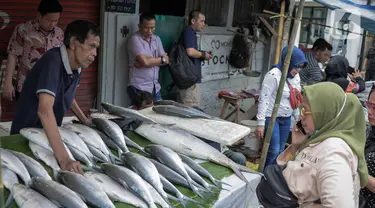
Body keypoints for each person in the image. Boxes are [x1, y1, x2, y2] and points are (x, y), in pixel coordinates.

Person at [10, 20, 100, 174]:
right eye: (91, 46)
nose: (95, 54)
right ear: (73, 43)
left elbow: (67, 95)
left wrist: (84, 119)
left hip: (48, 136)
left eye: (96, 48)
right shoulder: (52, 62)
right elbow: (44, 110)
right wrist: (64, 158)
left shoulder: (77, 66)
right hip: (27, 135)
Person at [258, 82, 367, 207]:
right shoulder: (320, 138)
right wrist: (296, 146)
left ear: (325, 112)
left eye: (306, 110)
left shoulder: (334, 153)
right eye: (301, 109)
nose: (301, 116)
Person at [255, 46, 308, 168]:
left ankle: (273, 175)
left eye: (301, 67)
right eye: (296, 66)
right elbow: (264, 99)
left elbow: (296, 99)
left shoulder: (296, 77)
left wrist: (298, 118)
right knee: (273, 150)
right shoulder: (273, 75)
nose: (298, 70)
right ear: (287, 62)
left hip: (287, 118)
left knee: (280, 152)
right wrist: (260, 123)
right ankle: (265, 174)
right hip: (272, 117)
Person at [2, 0, 64, 101]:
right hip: (26, 85)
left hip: (50, 86)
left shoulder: (59, 33)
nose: (52, 24)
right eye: (49, 20)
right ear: (39, 15)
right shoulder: (23, 30)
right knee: (25, 116)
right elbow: (12, 54)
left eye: (56, 20)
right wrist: (8, 82)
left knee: (46, 115)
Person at [127, 12, 168, 104]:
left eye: (152, 28)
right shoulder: (135, 39)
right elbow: (146, 62)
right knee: (141, 116)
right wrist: (160, 60)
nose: (150, 31)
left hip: (155, 87)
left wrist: (150, 61)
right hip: (139, 88)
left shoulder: (157, 39)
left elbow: (166, 60)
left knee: (157, 116)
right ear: (139, 26)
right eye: (146, 28)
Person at [178, 9, 212, 108]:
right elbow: (190, 52)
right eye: (201, 21)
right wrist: (203, 54)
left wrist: (202, 55)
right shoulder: (189, 32)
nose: (204, 24)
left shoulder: (190, 33)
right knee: (191, 109)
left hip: (189, 79)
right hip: (190, 81)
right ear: (193, 21)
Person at [361, 84, 375, 207]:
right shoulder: (368, 130)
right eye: (369, 105)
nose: (369, 112)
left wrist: (356, 168)